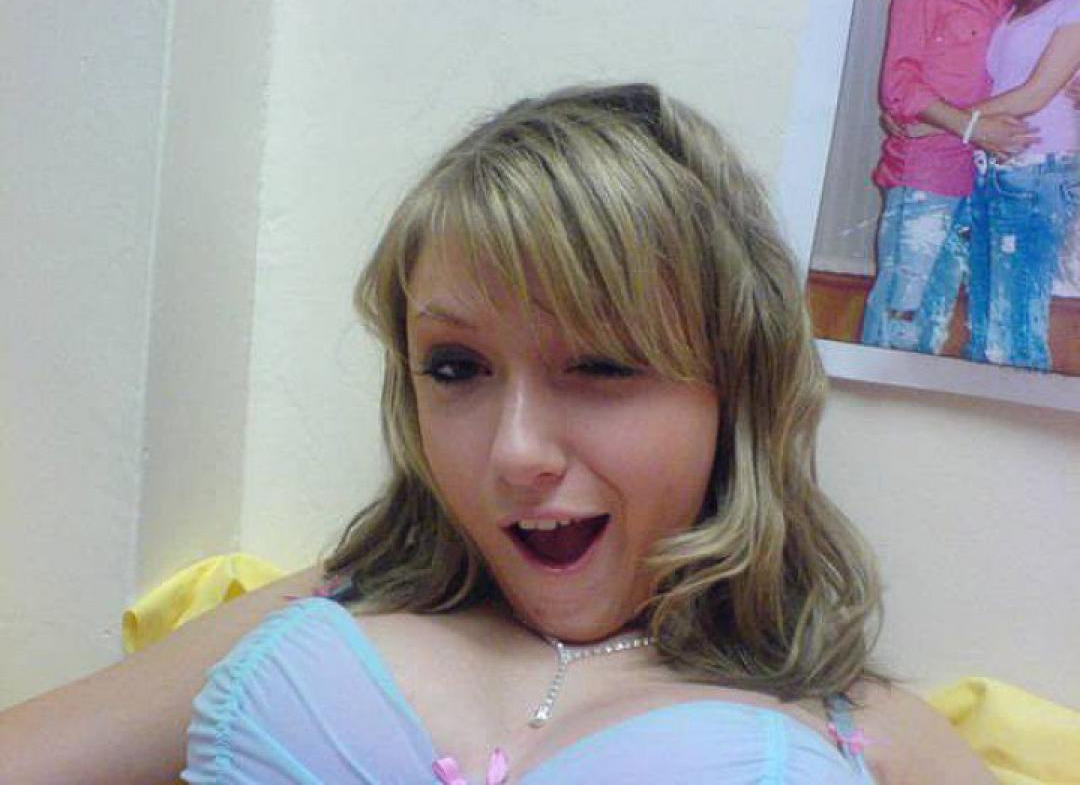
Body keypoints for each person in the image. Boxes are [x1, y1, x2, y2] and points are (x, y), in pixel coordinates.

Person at [0, 84, 995, 783]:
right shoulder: (334, 603)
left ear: (734, 388)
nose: (515, 453)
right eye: (456, 369)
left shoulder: (854, 726)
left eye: (602, 365)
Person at [916, 0, 1080, 369]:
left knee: (1014, 330)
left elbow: (1035, 93)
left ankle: (1022, 406)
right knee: (988, 325)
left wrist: (942, 120)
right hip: (996, 166)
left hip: (1038, 171)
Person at [862, 0, 1031, 352]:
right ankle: (877, 388)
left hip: (987, 177)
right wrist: (971, 127)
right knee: (901, 306)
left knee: (938, 311)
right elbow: (899, 86)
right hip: (927, 173)